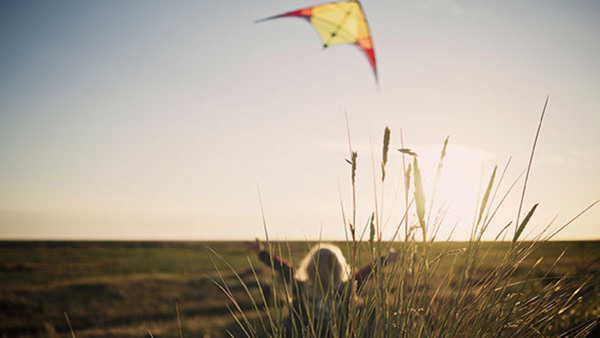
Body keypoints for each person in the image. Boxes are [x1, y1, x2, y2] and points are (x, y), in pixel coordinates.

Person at [244, 239, 399, 336]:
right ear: (339, 269)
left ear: (309, 267)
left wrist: (261, 252)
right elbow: (366, 273)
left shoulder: (300, 287)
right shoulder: (344, 291)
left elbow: (281, 267)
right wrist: (386, 259)